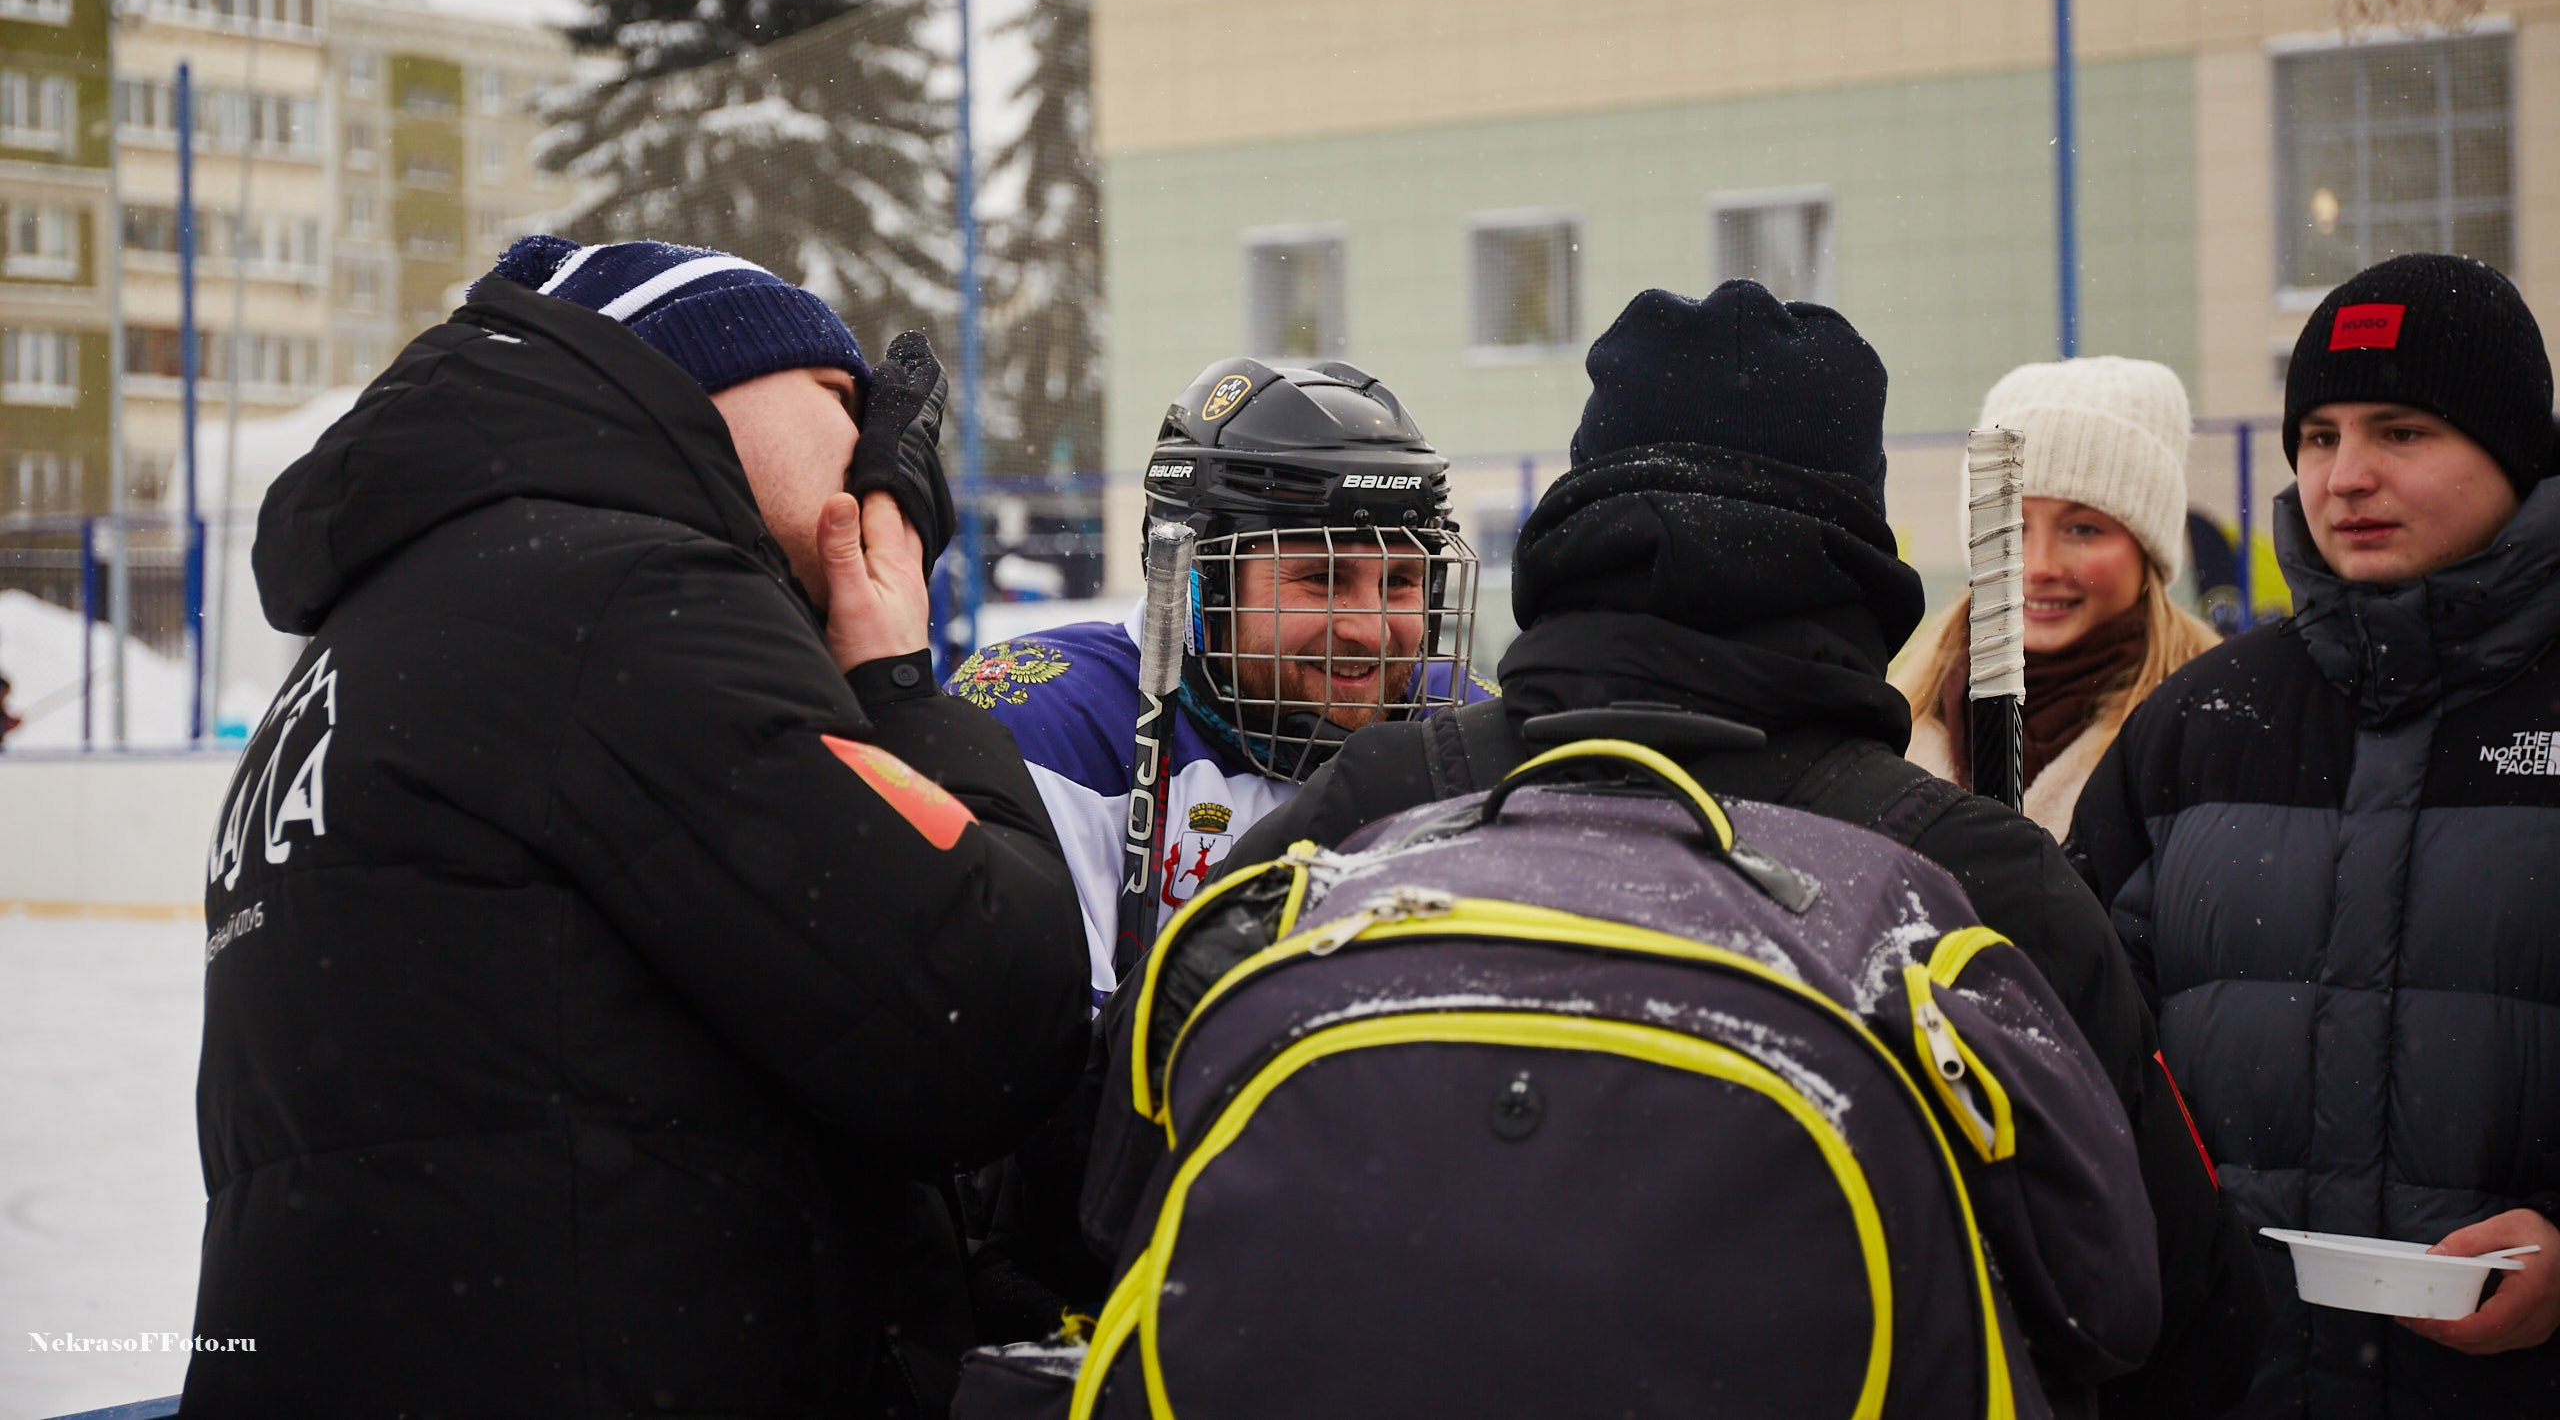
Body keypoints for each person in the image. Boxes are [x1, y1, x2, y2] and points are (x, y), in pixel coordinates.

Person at [1236, 282, 2267, 1417]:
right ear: (1857, 543)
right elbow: (2166, 1308)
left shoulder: (1375, 805)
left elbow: (1110, 1179)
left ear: (1578, 516)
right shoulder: (1977, 880)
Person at [184, 236, 1091, 1419]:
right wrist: (897, 686)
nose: (870, 457)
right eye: (837, 402)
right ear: (707, 385)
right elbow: (985, 1013)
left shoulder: (384, 631)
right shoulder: (624, 595)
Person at [2073, 252, 2560, 1417]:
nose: (2346, 477)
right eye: (2321, 435)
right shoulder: (2194, 727)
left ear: (2513, 453)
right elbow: (2074, 1050)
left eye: (2399, 432)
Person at [945, 355, 1483, 1006]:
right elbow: (1054, 1074)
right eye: (1323, 578)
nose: (1371, 631)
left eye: (1399, 582)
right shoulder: (1050, 726)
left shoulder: (1468, 729)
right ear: (1200, 576)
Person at [1896, 356, 2219, 841]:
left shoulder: (2212, 730)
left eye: (2083, 528)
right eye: (2011, 525)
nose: (2040, 565)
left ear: (2148, 550)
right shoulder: (1897, 723)